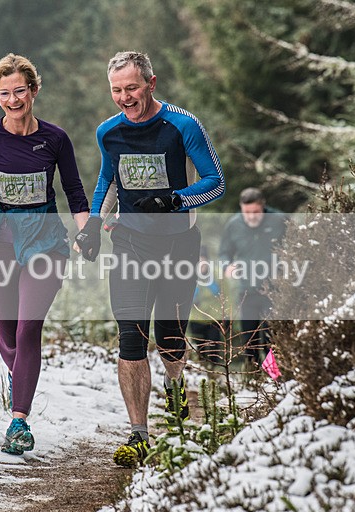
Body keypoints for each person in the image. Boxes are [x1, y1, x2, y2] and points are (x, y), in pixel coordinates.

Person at [75, 51, 225, 467]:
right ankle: (139, 433)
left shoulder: (182, 124)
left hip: (179, 244)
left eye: (132, 88)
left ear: (151, 84)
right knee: (131, 336)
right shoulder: (109, 131)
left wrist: (175, 199)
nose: (125, 97)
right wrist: (90, 227)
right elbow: (107, 179)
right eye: (117, 90)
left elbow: (216, 183)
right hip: (130, 243)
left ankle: (175, 384)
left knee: (170, 336)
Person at [0, 53, 90, 455]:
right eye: (5, 93)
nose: (13, 100)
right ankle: (21, 375)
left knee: (29, 328)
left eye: (20, 91)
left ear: (33, 90)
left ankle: (19, 421)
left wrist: (87, 231)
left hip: (45, 241)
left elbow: (75, 191)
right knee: (8, 332)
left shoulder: (55, 139)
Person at [218, 187, 287, 365]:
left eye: (255, 212)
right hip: (247, 291)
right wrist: (227, 266)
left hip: (275, 291)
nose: (251, 216)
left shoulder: (279, 220)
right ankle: (253, 379)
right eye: (246, 212)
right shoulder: (233, 224)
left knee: (274, 337)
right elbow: (224, 253)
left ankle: (277, 379)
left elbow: (296, 246)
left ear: (263, 206)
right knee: (250, 339)